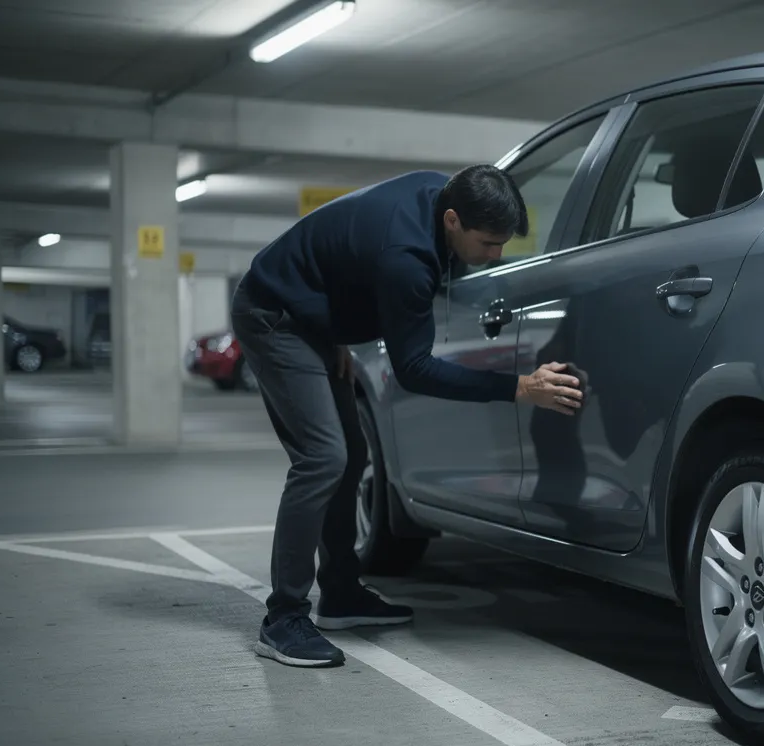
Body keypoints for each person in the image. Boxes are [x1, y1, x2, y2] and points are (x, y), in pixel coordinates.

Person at [229, 164, 585, 668]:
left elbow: (345, 257)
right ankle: (283, 618)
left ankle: (341, 594)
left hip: (308, 316)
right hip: (275, 317)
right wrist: (520, 386)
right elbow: (414, 370)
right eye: (488, 243)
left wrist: (334, 334)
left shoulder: (439, 191)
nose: (495, 256)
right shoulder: (408, 259)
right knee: (323, 458)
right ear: (454, 221)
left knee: (351, 456)